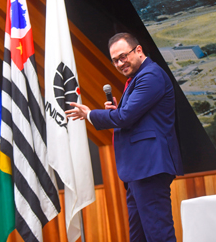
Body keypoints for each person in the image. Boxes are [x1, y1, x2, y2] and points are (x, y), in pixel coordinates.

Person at [66, 32, 184, 242]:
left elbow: (126, 117)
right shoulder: (138, 78)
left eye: (123, 56)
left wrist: (90, 114)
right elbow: (130, 116)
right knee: (138, 236)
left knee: (158, 234)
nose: (120, 63)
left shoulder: (151, 76)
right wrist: (115, 112)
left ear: (138, 50)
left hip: (150, 168)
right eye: (115, 60)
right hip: (138, 171)